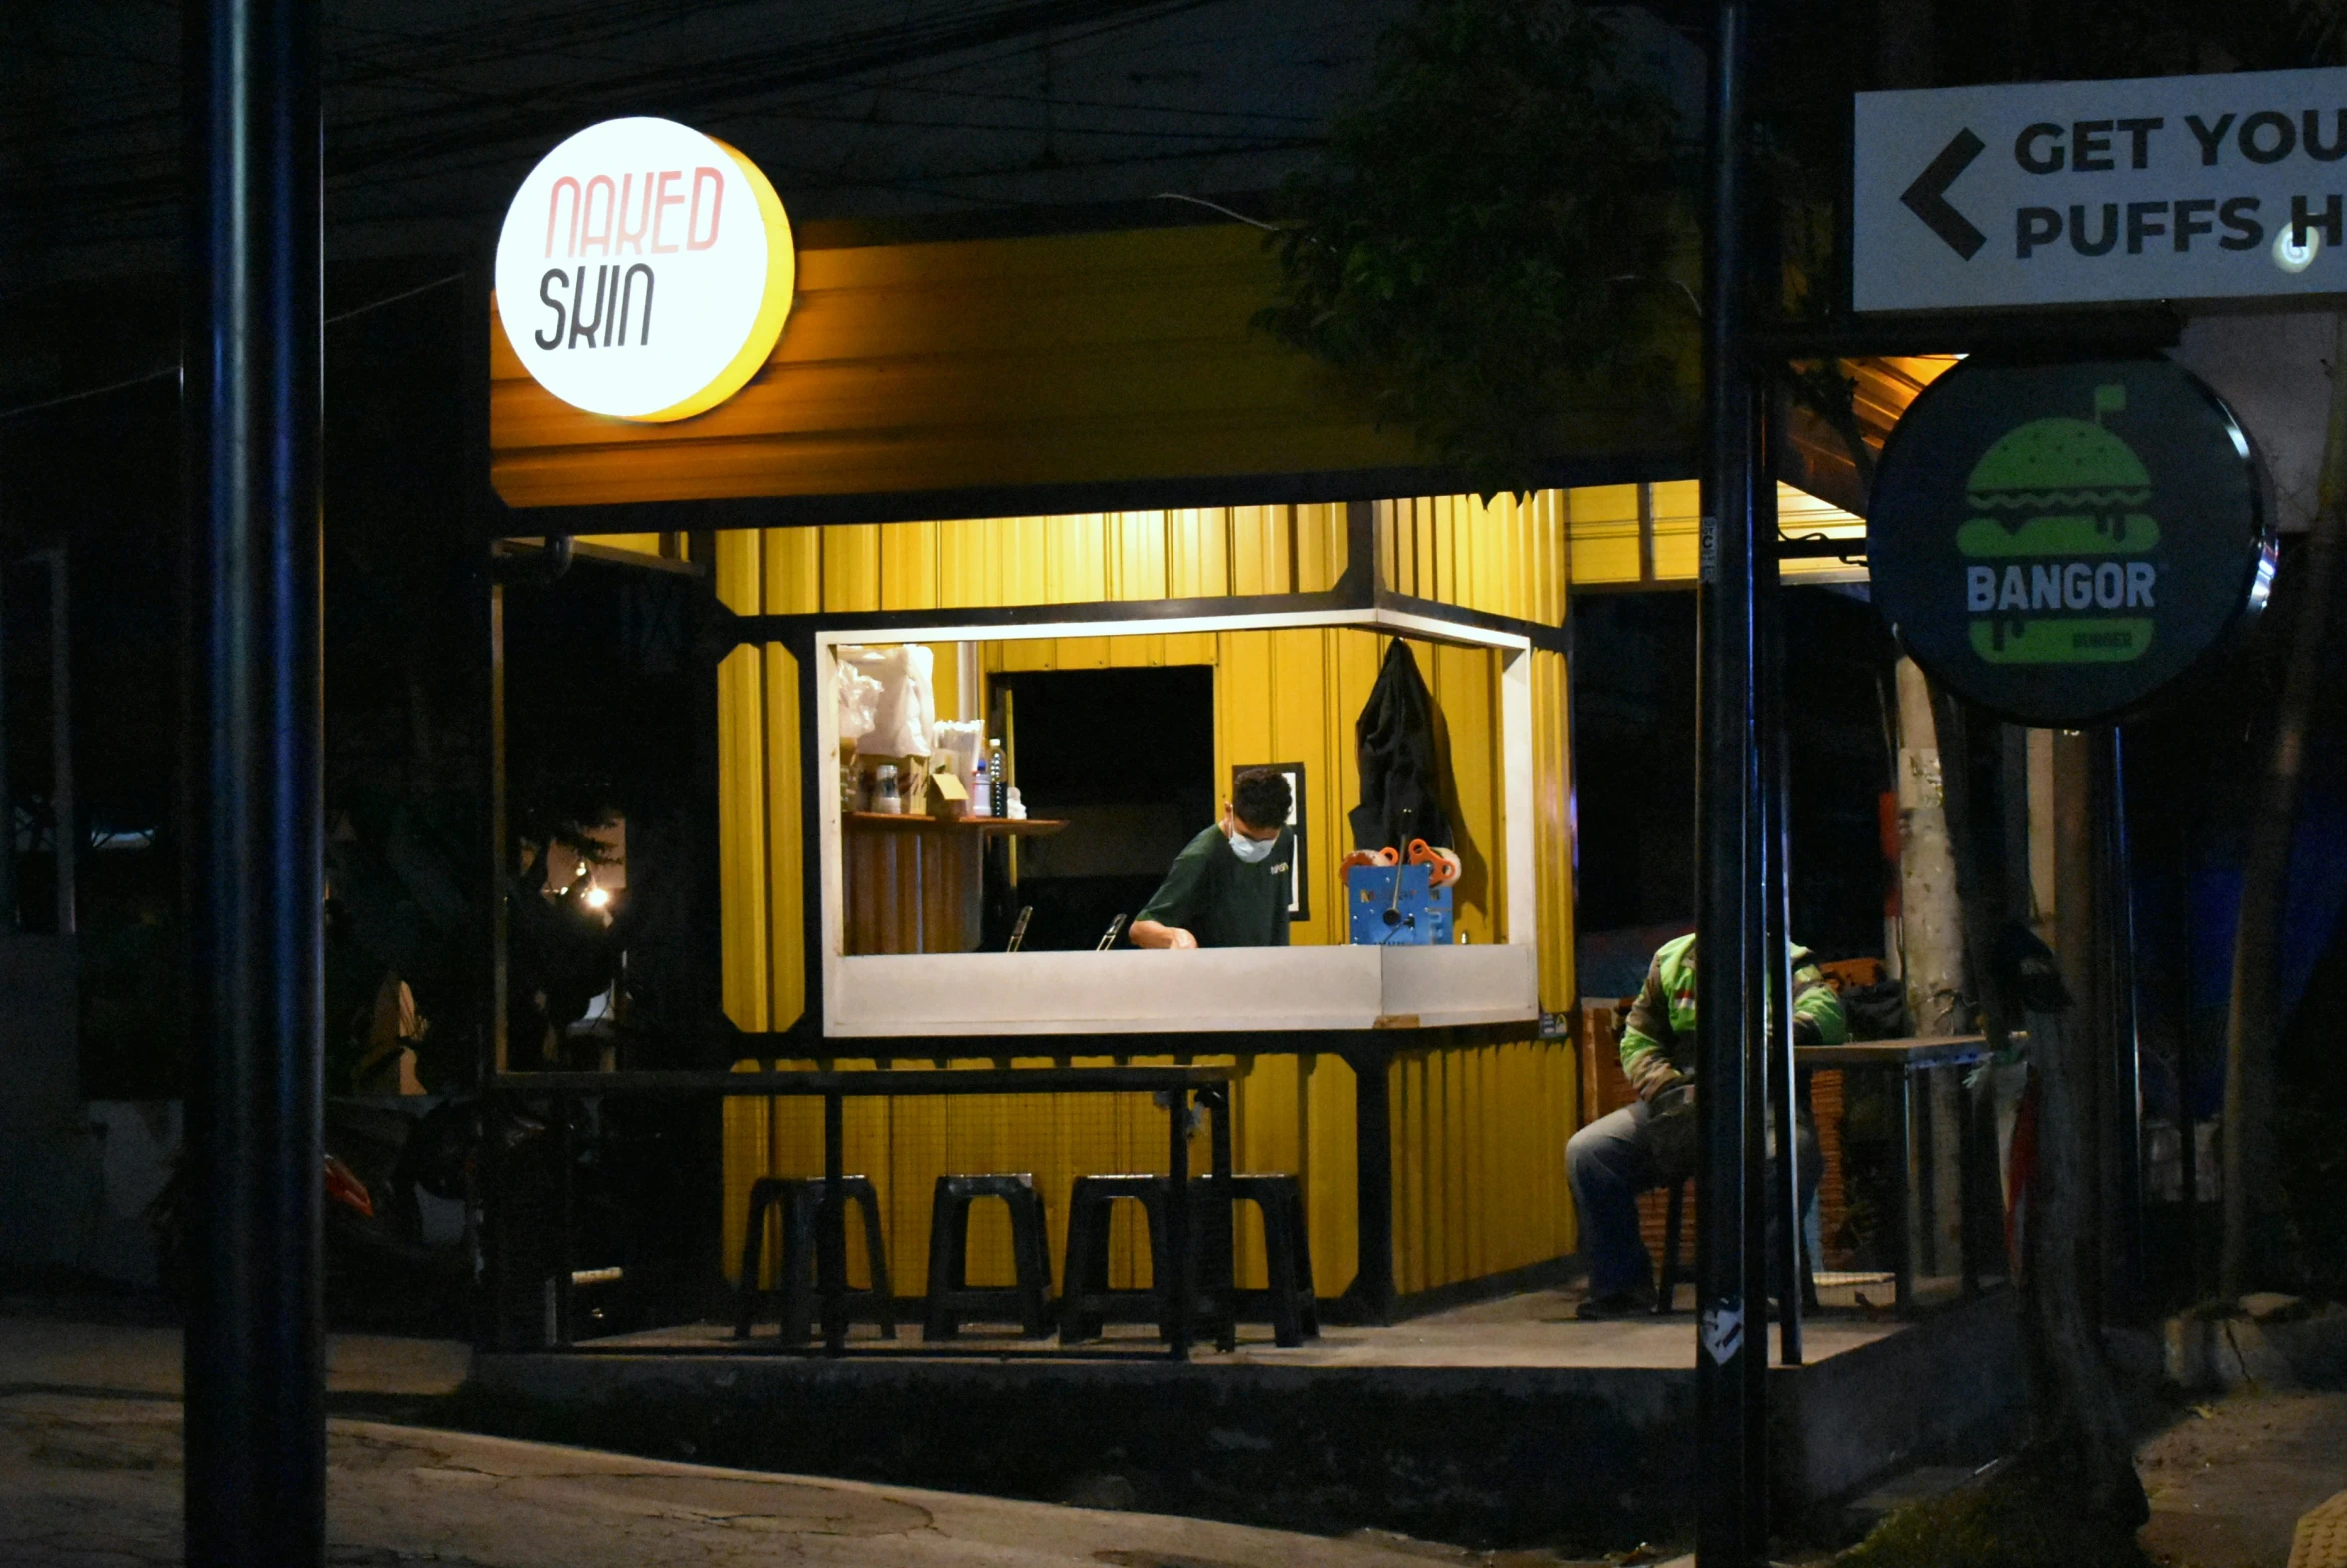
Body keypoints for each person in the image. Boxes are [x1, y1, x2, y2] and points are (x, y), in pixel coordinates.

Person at [1565, 931, 1848, 1319]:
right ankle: (1622, 1288)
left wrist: (1759, 1049)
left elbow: (1826, 1015)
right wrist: (1669, 1090)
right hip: (1683, 1105)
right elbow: (1638, 1038)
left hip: (1762, 1106)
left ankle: (1765, 1290)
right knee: (1591, 1153)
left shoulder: (1788, 960)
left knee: (1787, 1153)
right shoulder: (1671, 961)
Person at [1129, 767, 1294, 949]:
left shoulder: (1285, 839)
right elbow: (1139, 929)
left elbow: (1279, 914)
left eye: (1267, 840)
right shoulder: (1201, 857)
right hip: (1218, 972)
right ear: (1229, 811)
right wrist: (1172, 936)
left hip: (1269, 968)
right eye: (1247, 837)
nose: (1257, 846)